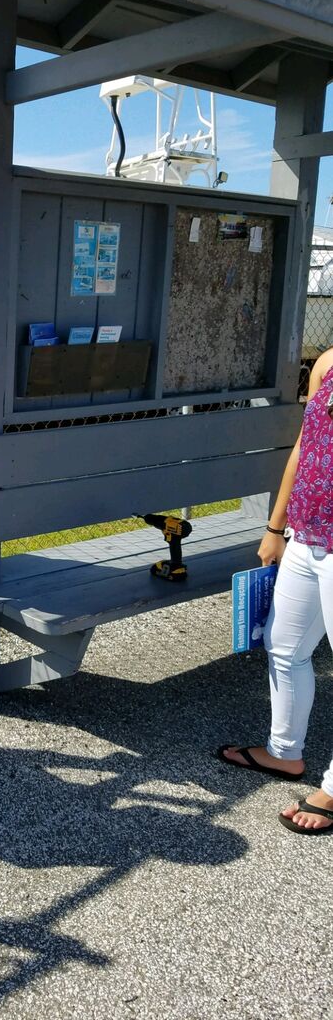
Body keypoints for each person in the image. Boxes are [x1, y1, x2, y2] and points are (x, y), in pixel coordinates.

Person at [218, 347, 333, 835]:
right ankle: (284, 753)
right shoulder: (328, 362)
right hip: (306, 536)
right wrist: (276, 525)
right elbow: (306, 446)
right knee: (283, 647)